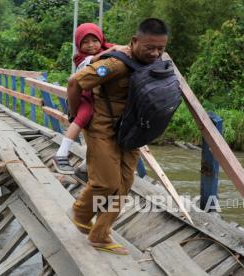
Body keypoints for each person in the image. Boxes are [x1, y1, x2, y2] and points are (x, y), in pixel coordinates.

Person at [68, 18, 169, 255]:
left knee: (123, 186)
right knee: (107, 182)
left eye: (160, 49)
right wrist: (75, 117)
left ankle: (100, 235)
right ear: (134, 42)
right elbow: (75, 82)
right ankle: (81, 212)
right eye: (150, 48)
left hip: (131, 132)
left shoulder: (154, 63)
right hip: (101, 129)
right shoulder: (115, 64)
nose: (155, 53)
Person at [53, 23, 129, 174]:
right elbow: (95, 60)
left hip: (103, 98)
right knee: (83, 117)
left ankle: (85, 167)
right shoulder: (81, 58)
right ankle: (61, 153)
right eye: (85, 42)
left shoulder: (106, 47)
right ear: (78, 45)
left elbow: (126, 50)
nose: (91, 45)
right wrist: (113, 49)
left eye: (94, 40)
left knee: (103, 130)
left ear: (101, 39)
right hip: (86, 96)